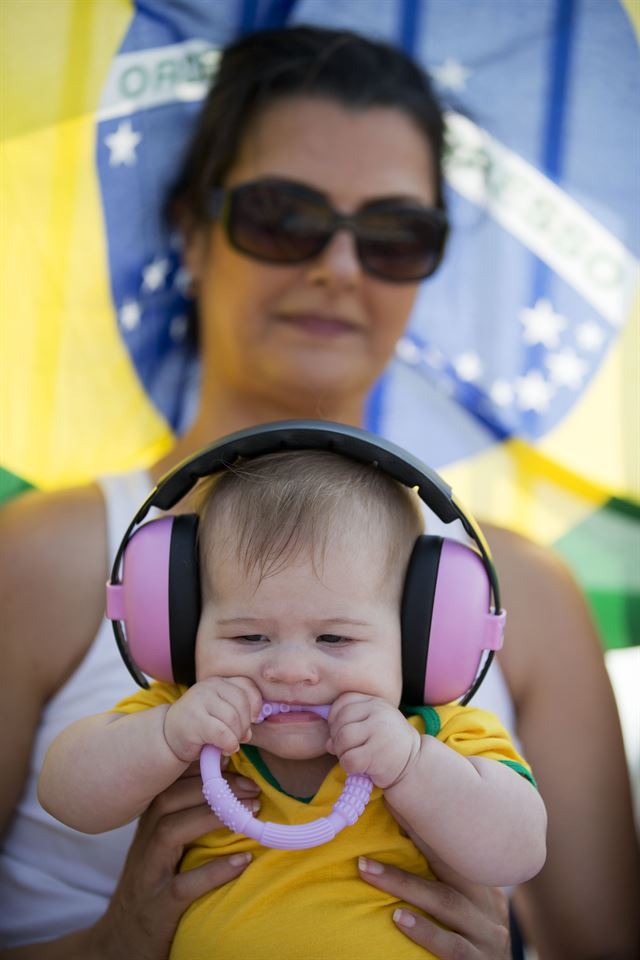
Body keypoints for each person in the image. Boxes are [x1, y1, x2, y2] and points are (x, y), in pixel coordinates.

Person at [0, 22, 637, 960]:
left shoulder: (528, 590)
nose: (337, 267)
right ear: (191, 227)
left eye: (394, 234)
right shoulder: (40, 552)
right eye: (282, 216)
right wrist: (113, 946)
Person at [38, 447, 547, 960]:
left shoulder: (442, 735)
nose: (289, 671)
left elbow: (519, 853)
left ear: (417, 641)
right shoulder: (181, 717)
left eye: (333, 639)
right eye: (251, 637)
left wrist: (414, 765)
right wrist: (166, 736)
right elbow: (65, 795)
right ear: (186, 627)